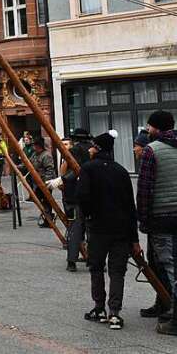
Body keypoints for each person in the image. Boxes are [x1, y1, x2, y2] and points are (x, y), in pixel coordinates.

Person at [77, 130, 141, 330]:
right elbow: (131, 207)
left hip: (97, 228)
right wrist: (135, 239)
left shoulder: (88, 169)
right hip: (121, 229)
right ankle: (115, 313)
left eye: (93, 146)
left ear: (98, 149)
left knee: (96, 267)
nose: (90, 149)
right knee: (117, 271)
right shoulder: (121, 171)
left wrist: (88, 217)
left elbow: (82, 198)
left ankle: (99, 308)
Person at [137, 110, 177, 336]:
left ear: (157, 128)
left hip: (161, 217)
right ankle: (163, 303)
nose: (148, 130)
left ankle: (173, 313)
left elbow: (144, 190)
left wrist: (143, 219)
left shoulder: (152, 150)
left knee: (166, 265)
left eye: (150, 126)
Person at [60, 129, 93, 271]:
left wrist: (62, 181)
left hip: (75, 194)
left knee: (75, 229)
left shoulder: (72, 151)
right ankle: (94, 259)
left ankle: (71, 261)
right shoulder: (93, 150)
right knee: (92, 229)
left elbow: (67, 169)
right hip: (92, 194)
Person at [31, 137, 58, 227]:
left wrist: (46, 183)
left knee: (46, 200)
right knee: (40, 200)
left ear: (39, 146)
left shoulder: (46, 155)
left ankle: (49, 218)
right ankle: (47, 216)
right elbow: (29, 163)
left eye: (34, 145)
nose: (33, 147)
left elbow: (50, 169)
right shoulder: (35, 155)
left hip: (45, 182)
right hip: (37, 182)